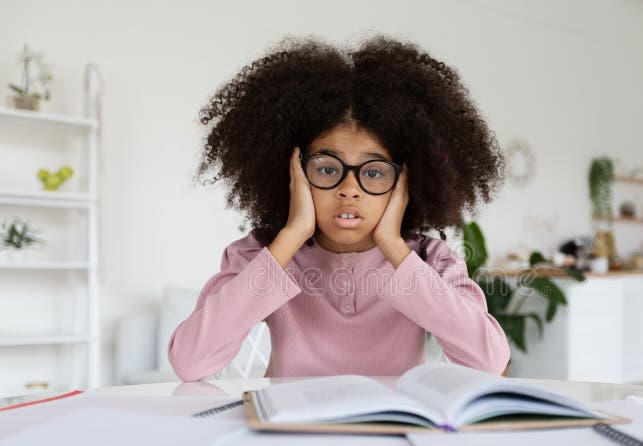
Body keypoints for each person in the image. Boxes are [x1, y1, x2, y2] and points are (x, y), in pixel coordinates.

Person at [168, 35, 510, 381]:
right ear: (294, 171)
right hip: (291, 429)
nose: (349, 190)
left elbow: (489, 361)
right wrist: (291, 237)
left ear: (407, 181)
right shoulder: (261, 253)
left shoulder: (430, 260)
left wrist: (394, 247)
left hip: (395, 430)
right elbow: (190, 362)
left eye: (374, 172)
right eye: (328, 169)